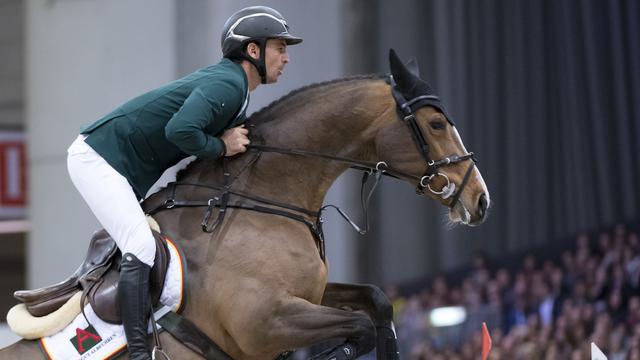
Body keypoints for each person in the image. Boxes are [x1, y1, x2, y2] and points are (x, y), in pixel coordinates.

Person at [66, 6, 302, 359]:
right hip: (97, 160)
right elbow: (178, 130)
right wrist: (221, 146)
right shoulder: (228, 84)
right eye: (280, 48)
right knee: (142, 247)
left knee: (150, 247)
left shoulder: (237, 88)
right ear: (253, 51)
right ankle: (140, 353)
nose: (286, 58)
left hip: (118, 166)